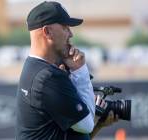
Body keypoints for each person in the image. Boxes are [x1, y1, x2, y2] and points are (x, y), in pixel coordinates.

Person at [16, 1, 118, 140]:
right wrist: (80, 71)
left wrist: (98, 124)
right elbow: (86, 125)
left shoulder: (34, 67)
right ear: (47, 31)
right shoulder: (48, 77)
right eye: (65, 27)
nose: (71, 34)